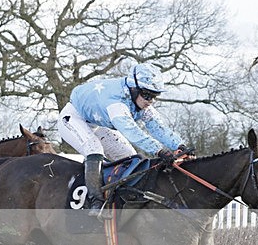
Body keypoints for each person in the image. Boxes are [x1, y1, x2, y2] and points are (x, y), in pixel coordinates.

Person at [57, 63, 190, 218]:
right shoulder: (116, 103)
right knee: (94, 150)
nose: (150, 101)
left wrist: (180, 145)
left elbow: (158, 128)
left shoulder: (137, 99)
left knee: (131, 159)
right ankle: (96, 202)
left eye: (154, 96)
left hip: (97, 123)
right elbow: (132, 132)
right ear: (134, 89)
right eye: (147, 95)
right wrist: (159, 150)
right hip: (73, 118)